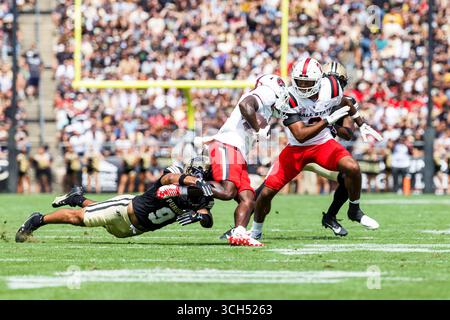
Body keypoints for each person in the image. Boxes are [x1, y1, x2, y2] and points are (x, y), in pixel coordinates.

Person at [251, 58, 379, 241]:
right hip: (296, 148)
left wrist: (361, 122)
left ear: (320, 79)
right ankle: (253, 230)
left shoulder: (333, 87)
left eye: (307, 82)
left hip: (323, 145)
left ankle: (354, 209)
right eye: (299, 82)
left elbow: (347, 102)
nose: (302, 86)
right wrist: (328, 121)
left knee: (353, 167)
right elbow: (301, 135)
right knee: (266, 192)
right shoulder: (289, 97)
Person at [15, 156, 215, 243]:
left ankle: (76, 197)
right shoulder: (176, 173)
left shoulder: (204, 198)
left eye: (202, 176)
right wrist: (195, 182)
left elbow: (208, 219)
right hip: (124, 208)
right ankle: (38, 220)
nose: (200, 178)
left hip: (132, 231)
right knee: (80, 219)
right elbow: (168, 179)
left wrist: (199, 217)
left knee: (96, 215)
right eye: (197, 175)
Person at [204, 74, 290, 247]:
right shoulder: (266, 92)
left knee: (249, 200)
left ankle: (239, 233)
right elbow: (245, 105)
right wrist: (258, 130)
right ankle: (186, 187)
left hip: (237, 152)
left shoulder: (267, 107)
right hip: (228, 145)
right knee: (228, 192)